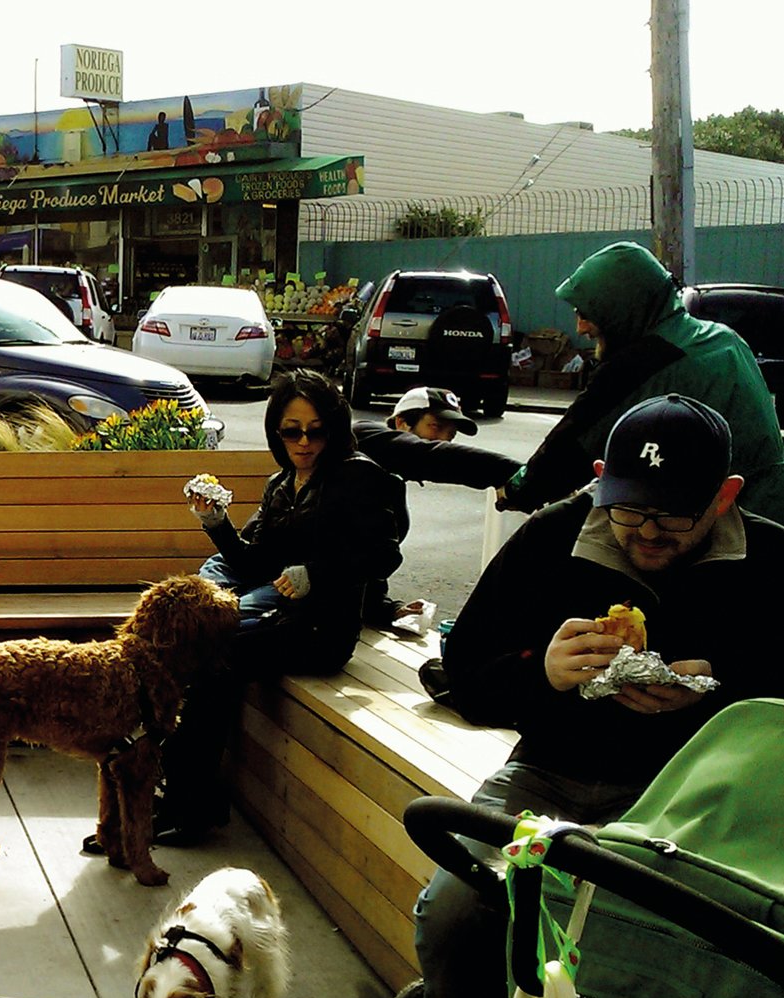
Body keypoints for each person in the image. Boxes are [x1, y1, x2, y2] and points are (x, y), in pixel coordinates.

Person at [395, 394, 784, 998]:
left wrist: (722, 686)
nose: (643, 533)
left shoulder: (769, 561)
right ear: (602, 479)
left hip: (694, 797)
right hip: (549, 775)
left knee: (697, 936)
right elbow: (463, 673)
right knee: (453, 907)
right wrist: (538, 672)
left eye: (671, 516)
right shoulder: (552, 539)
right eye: (628, 510)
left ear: (725, 497)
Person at [145, 370, 402, 842]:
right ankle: (175, 797)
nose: (304, 441)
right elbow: (252, 560)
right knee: (191, 652)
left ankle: (189, 804)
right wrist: (215, 521)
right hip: (277, 618)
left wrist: (317, 573)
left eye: (316, 429)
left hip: (320, 629)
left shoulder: (356, 476)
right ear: (276, 431)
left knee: (210, 657)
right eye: (291, 430)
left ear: (335, 428)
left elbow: (386, 553)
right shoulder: (282, 484)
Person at [501, 241, 784, 521]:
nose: (580, 327)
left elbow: (571, 448)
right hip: (767, 512)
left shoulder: (644, 362)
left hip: (726, 526)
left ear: (620, 309)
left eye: (587, 313)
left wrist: (516, 490)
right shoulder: (723, 338)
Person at [353, 386, 523, 628]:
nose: (444, 439)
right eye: (435, 427)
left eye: (451, 435)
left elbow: (363, 570)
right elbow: (430, 456)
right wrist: (523, 476)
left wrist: (391, 610)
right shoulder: (363, 437)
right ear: (401, 423)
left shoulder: (391, 483)